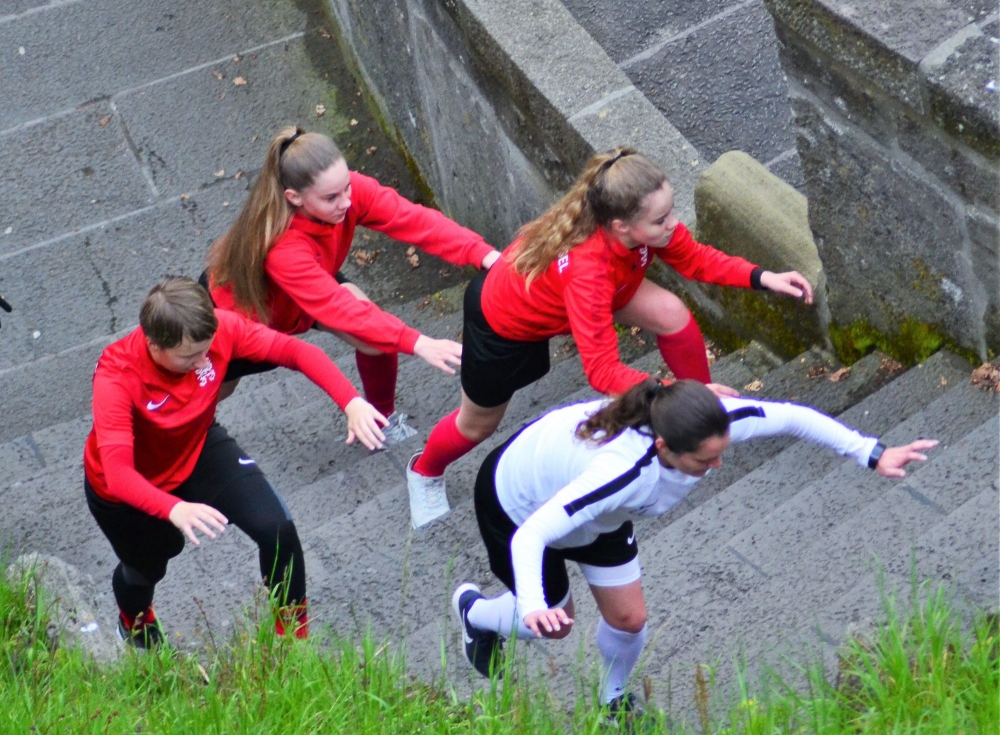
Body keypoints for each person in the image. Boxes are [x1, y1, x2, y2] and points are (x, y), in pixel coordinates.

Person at [452, 379, 937, 715]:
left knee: (630, 620)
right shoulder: (622, 472)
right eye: (705, 461)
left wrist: (871, 452)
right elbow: (533, 534)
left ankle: (612, 701)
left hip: (599, 515)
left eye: (720, 452)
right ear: (665, 448)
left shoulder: (704, 422)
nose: (717, 467)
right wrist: (533, 604)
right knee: (553, 625)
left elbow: (792, 417)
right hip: (517, 507)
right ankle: (475, 613)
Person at [407, 147, 815, 518]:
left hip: (586, 291)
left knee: (672, 313)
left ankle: (700, 421)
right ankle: (424, 471)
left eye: (671, 211)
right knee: (476, 426)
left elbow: (695, 259)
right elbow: (601, 370)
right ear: (621, 226)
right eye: (661, 220)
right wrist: (669, 391)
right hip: (504, 325)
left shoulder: (636, 227)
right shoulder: (589, 271)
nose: (673, 225)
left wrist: (764, 277)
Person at [205, 126, 501, 526]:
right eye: (332, 197)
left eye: (346, 187)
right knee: (209, 395)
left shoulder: (343, 194)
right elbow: (337, 309)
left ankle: (381, 418)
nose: (347, 201)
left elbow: (412, 219)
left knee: (375, 339)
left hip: (311, 285)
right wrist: (416, 341)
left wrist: (484, 255)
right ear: (294, 198)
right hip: (244, 319)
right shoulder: (283, 247)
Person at [84, 277, 387, 648]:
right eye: (189, 357)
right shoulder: (117, 375)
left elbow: (296, 352)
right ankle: (134, 621)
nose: (203, 362)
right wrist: (175, 508)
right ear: (153, 344)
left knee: (277, 529)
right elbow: (118, 474)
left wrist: (351, 401)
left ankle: (293, 641)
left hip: (197, 445)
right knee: (148, 567)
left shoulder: (222, 329)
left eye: (206, 350)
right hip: (129, 489)